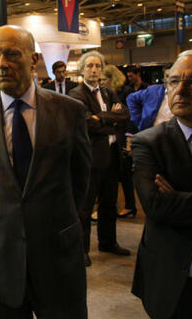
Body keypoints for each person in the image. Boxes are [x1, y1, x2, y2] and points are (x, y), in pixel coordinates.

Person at [0, 25, 91, 318]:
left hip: (58, 258)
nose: (2, 64)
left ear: (33, 60)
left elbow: (81, 179)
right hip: (0, 261)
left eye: (12, 54)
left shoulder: (69, 111)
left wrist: (57, 218)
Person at [131, 50, 192, 319]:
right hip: (173, 280)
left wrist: (181, 199)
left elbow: (171, 205)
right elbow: (157, 206)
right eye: (174, 81)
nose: (180, 90)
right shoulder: (148, 142)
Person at [69, 52, 130, 266]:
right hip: (91, 158)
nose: (94, 70)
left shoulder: (108, 92)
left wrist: (101, 118)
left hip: (112, 156)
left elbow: (124, 115)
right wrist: (110, 120)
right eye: (90, 66)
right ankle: (81, 250)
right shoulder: (76, 94)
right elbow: (86, 123)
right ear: (82, 70)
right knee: (85, 208)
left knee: (109, 203)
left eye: (97, 66)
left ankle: (108, 242)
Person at [103, 64, 137, 218]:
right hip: (112, 136)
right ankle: (115, 206)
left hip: (123, 135)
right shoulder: (106, 93)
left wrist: (128, 140)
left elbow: (129, 116)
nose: (101, 82)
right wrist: (112, 115)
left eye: (103, 79)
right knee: (114, 174)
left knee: (124, 173)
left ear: (112, 78)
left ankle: (130, 206)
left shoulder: (126, 92)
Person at [127, 63, 173, 131]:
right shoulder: (153, 91)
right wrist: (138, 121)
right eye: (167, 76)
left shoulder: (184, 93)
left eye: (173, 76)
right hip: (153, 133)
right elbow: (131, 98)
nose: (169, 80)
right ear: (163, 77)